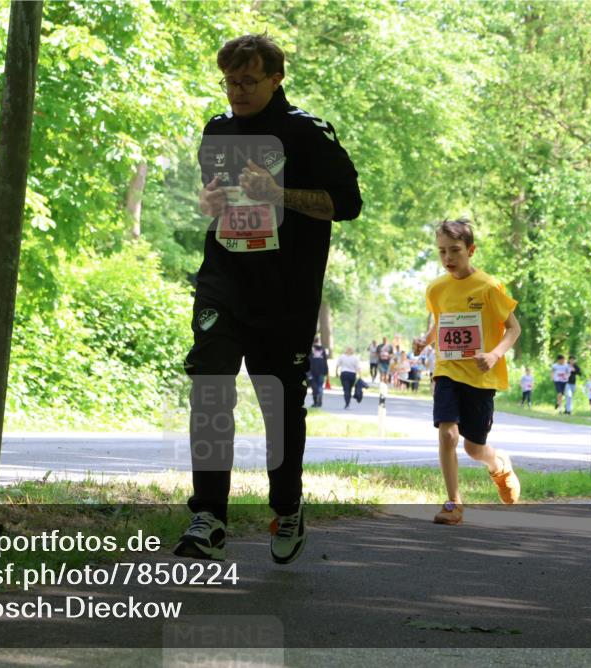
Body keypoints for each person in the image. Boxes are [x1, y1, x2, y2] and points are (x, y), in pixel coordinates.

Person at [176, 33, 362, 564]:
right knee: (210, 386)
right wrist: (208, 201)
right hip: (224, 279)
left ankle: (287, 506)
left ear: (276, 79)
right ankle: (208, 515)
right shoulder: (217, 130)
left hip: (285, 293)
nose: (236, 91)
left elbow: (347, 204)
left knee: (278, 406)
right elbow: (212, 199)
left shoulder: (307, 132)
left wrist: (278, 195)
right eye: (229, 81)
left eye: (248, 81)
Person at [413, 218, 522, 526]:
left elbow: (514, 328)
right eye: (442, 252)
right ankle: (453, 503)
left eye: (455, 251)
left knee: (474, 448)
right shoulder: (436, 289)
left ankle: (499, 465)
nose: (448, 258)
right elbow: (440, 323)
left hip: (481, 375)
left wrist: (495, 354)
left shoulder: (489, 287)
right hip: (447, 370)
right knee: (448, 434)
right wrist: (425, 341)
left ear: (471, 250)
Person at [308, 342, 329, 407]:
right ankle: (319, 401)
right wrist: (326, 371)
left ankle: (315, 402)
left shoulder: (311, 350)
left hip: (312, 372)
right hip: (321, 371)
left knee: (314, 387)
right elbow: (325, 361)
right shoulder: (323, 350)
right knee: (320, 386)